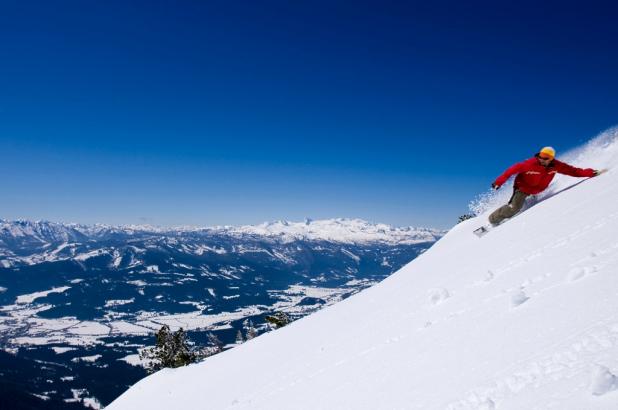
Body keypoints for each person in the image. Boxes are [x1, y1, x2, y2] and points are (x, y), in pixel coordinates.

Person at [488, 146, 600, 225]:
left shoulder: (556, 166)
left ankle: (524, 204)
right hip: (522, 188)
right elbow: (510, 171)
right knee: (515, 207)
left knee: (527, 203)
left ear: (551, 159)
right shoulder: (529, 164)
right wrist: (498, 182)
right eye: (540, 156)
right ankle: (492, 219)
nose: (542, 159)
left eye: (545, 158)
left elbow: (573, 171)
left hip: (537, 190)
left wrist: (589, 173)